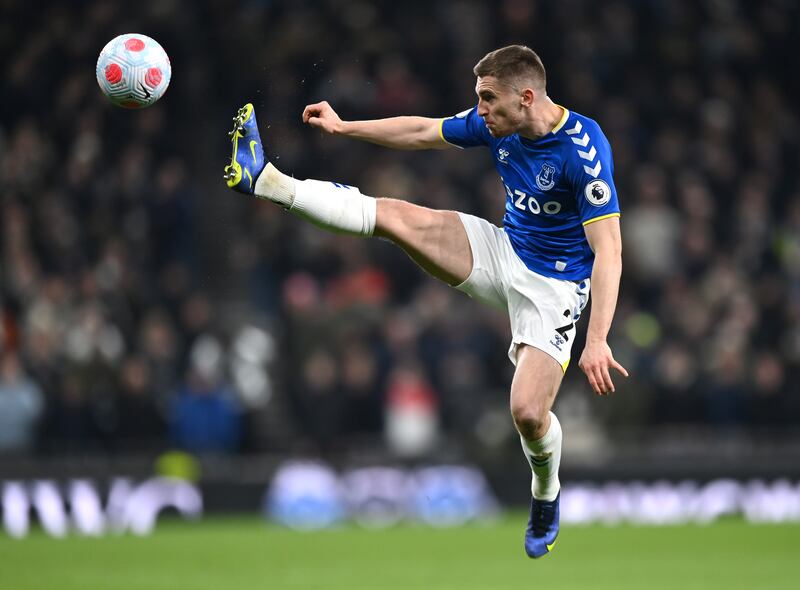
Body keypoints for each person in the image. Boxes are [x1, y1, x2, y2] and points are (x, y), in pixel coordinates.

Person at [223, 44, 628, 558]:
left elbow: (609, 248)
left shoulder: (583, 148)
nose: (479, 110)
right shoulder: (494, 122)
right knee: (395, 216)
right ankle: (267, 180)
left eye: (487, 99)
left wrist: (597, 339)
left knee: (527, 412)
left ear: (526, 97)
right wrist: (346, 128)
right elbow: (422, 131)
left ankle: (545, 493)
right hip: (502, 249)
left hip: (555, 288)